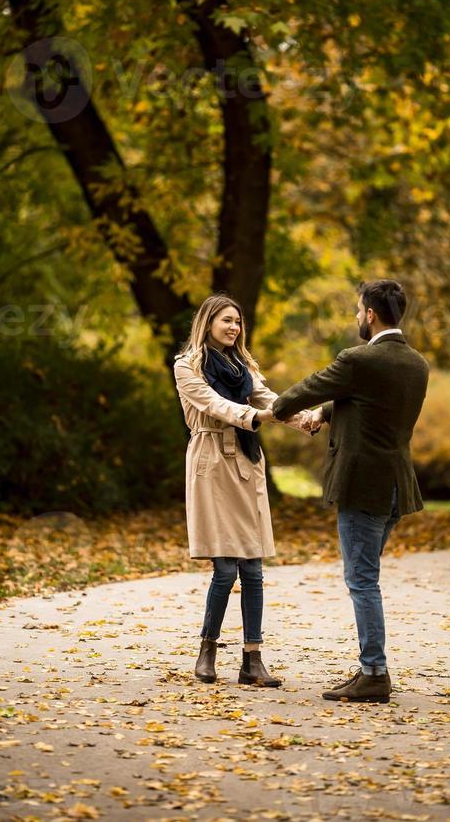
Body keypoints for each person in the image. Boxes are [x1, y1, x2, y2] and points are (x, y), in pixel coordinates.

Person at [271, 279, 430, 703]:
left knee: (362, 581)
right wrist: (323, 415)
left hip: (364, 488)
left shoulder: (358, 359)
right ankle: (369, 667)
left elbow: (311, 386)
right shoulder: (416, 364)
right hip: (397, 485)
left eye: (359, 310)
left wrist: (278, 409)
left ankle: (374, 673)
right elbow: (369, 405)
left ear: (371, 314)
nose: (357, 317)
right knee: (366, 577)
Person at [173, 293, 313, 687]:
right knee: (224, 568)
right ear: (208, 322)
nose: (234, 327)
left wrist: (303, 418)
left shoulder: (243, 366)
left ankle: (253, 660)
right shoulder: (187, 366)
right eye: (226, 320)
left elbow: (268, 399)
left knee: (252, 567)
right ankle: (207, 650)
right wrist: (256, 416)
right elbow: (215, 405)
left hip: (246, 464)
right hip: (212, 462)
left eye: (238, 321)